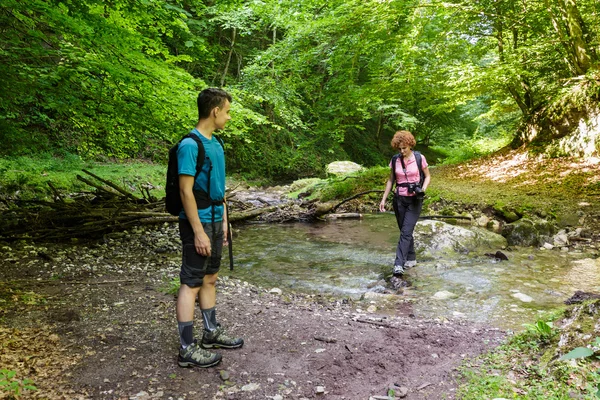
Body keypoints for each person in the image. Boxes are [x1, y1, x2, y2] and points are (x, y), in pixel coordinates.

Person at [176, 88, 243, 369]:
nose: (228, 117)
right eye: (227, 111)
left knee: (210, 277)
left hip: (216, 218)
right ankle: (186, 348)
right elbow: (185, 191)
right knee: (191, 282)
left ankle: (211, 332)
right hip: (198, 221)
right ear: (215, 111)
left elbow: (220, 189)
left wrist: (225, 220)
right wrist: (199, 231)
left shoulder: (216, 144)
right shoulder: (190, 145)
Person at [379, 130, 431, 277]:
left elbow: (427, 177)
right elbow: (391, 180)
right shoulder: (395, 159)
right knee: (404, 230)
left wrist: (422, 190)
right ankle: (411, 257)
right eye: (399, 148)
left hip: (415, 200)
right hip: (399, 200)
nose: (402, 151)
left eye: (404, 148)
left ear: (410, 145)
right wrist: (384, 199)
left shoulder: (420, 158)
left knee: (406, 232)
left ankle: (398, 264)